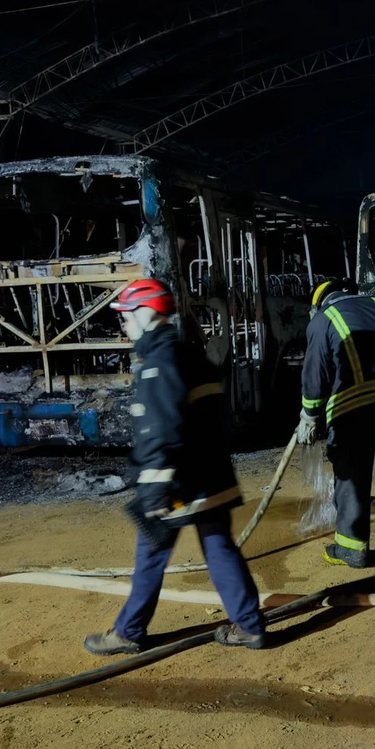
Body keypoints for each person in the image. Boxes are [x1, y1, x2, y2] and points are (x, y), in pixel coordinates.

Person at [84, 279, 266, 655]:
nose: (123, 325)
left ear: (148, 313)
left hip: (180, 484)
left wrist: (154, 488)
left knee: (149, 553)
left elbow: (160, 431)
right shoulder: (190, 355)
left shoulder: (159, 363)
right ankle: (249, 626)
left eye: (126, 316)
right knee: (219, 548)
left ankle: (128, 632)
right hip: (212, 475)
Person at [297, 279, 375, 568]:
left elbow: (315, 374)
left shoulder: (322, 319)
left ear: (320, 302)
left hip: (353, 404)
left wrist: (309, 415)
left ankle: (352, 548)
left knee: (351, 473)